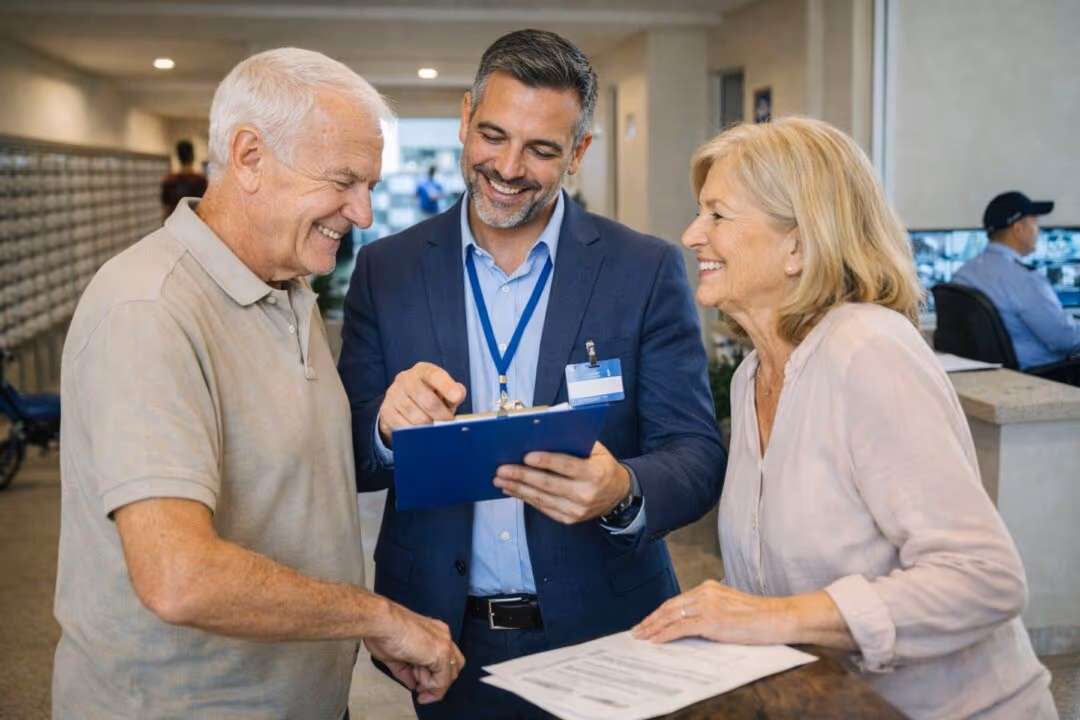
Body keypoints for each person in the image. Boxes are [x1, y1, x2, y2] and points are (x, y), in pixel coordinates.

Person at [53, 48, 463, 719]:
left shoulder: (287, 286)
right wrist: (376, 616)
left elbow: (291, 482)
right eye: (344, 181)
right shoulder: (149, 309)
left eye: (369, 186)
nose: (363, 213)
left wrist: (389, 424)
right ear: (249, 157)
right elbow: (178, 576)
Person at [338, 29, 726, 719]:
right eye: (493, 136)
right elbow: (350, 452)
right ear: (465, 118)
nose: (508, 167)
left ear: (578, 152)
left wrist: (622, 489)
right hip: (446, 637)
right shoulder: (385, 269)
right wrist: (385, 427)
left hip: (613, 633)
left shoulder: (643, 269)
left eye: (542, 150)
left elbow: (695, 452)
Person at [633, 118, 1057, 720]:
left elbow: (985, 578)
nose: (692, 235)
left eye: (718, 215)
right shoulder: (755, 374)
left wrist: (773, 617)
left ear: (799, 246)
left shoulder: (868, 350)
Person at [952, 191, 1080, 372]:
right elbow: (1065, 340)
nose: (1038, 231)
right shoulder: (1026, 279)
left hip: (993, 374)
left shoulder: (963, 274)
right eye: (1035, 224)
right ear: (1018, 230)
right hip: (1045, 375)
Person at [160, 139, 208, 219]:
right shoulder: (200, 181)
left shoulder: (170, 181)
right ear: (193, 156)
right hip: (195, 222)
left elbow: (167, 208)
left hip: (175, 222)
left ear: (178, 157)